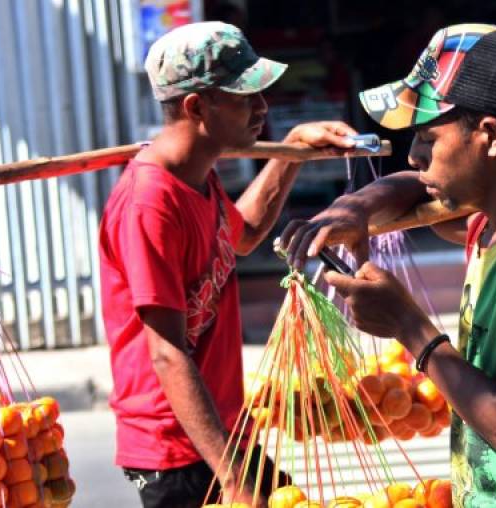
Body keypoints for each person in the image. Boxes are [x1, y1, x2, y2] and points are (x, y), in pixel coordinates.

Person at [280, 24, 496, 507]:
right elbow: (413, 184)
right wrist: (358, 206)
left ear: (489, 136)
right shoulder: (492, 226)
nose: (414, 153)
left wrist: (407, 324)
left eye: (428, 137)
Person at [99, 22, 356, 508]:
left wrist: (295, 149)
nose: (262, 108)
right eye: (244, 96)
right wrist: (234, 481)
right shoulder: (149, 203)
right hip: (176, 449)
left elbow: (245, 234)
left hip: (223, 432)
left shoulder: (199, 175)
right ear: (197, 106)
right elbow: (167, 355)